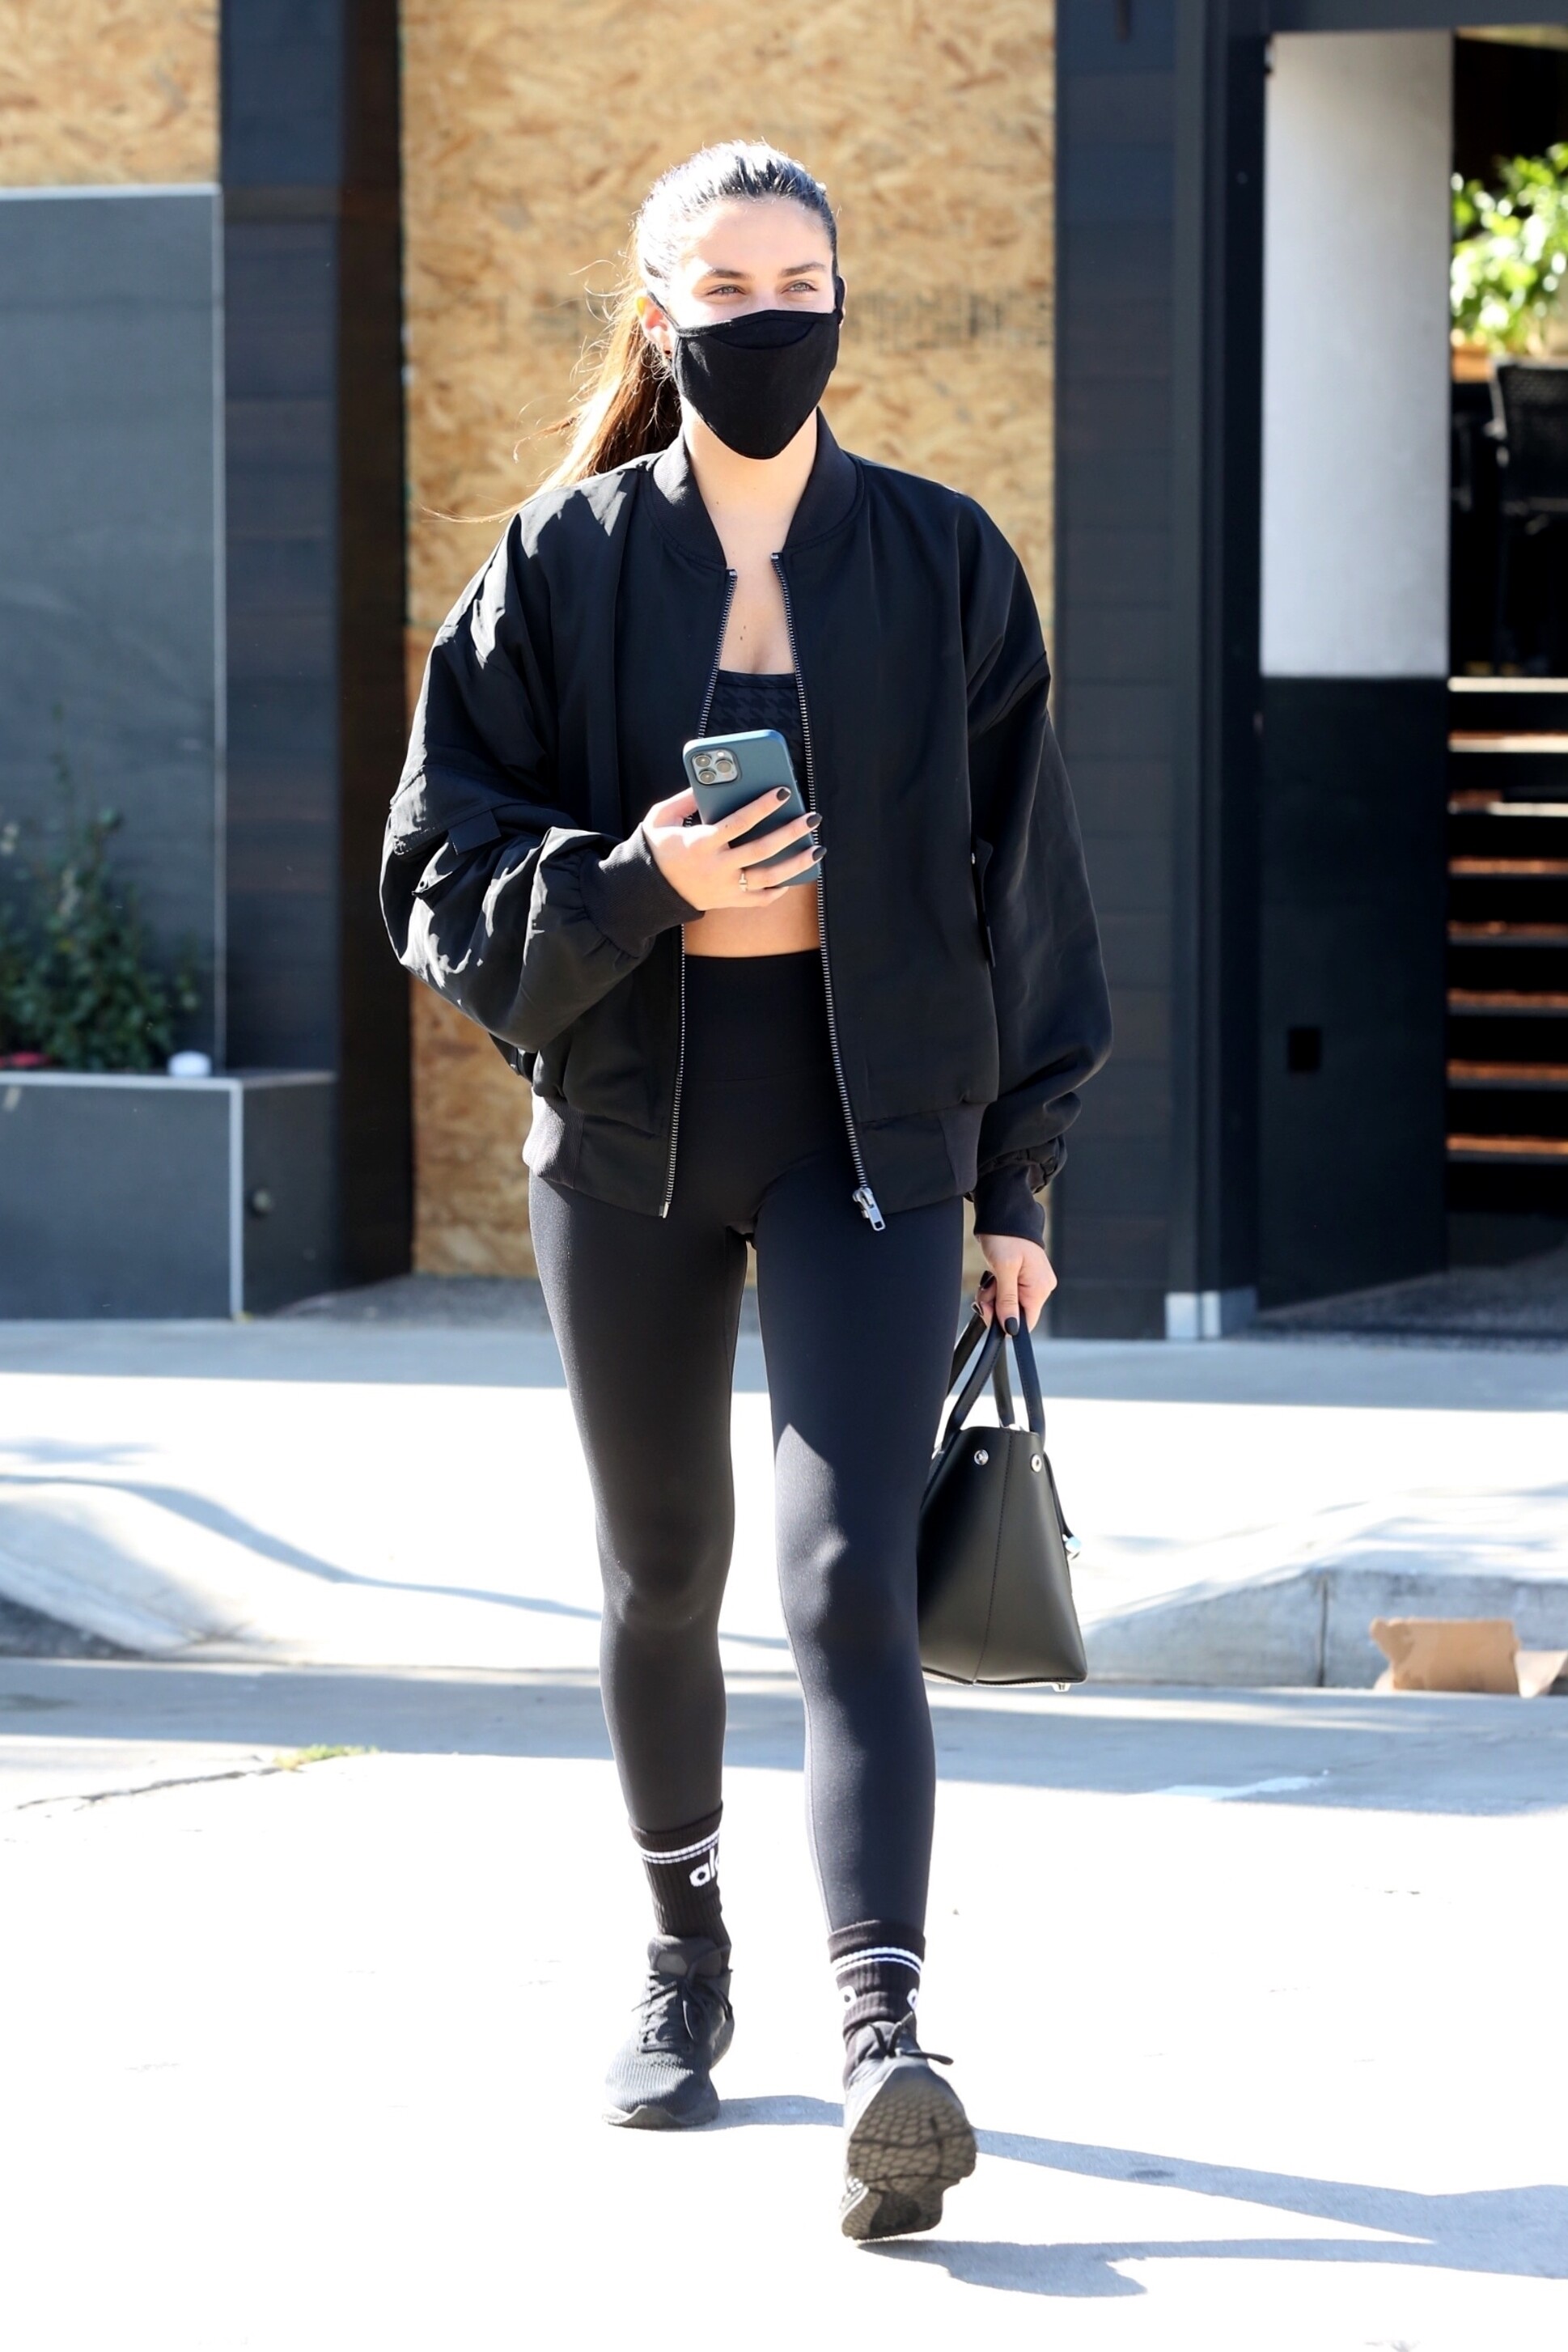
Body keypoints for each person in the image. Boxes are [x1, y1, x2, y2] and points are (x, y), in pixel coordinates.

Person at [382, 142, 1111, 2242]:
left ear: (842, 301)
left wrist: (1016, 1179)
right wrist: (645, 875)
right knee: (659, 1573)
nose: (770, 316)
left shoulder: (942, 559)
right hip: (631, 1133)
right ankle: (684, 1956)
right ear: (659, 312)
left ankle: (885, 2034)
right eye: (727, 285)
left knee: (846, 1575)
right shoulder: (560, 561)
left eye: (801, 281)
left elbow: (1027, 888)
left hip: (875, 1138)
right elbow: (432, 873)